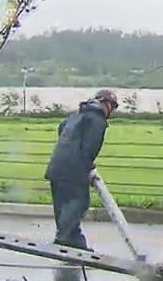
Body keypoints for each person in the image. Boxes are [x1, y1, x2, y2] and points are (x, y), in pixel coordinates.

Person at [44, 89, 119, 249]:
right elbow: (90, 148)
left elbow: (61, 127)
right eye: (113, 106)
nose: (112, 111)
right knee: (79, 202)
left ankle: (72, 240)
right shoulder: (97, 120)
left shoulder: (77, 114)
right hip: (74, 169)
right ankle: (65, 239)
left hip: (56, 166)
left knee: (63, 204)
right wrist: (88, 168)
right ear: (106, 104)